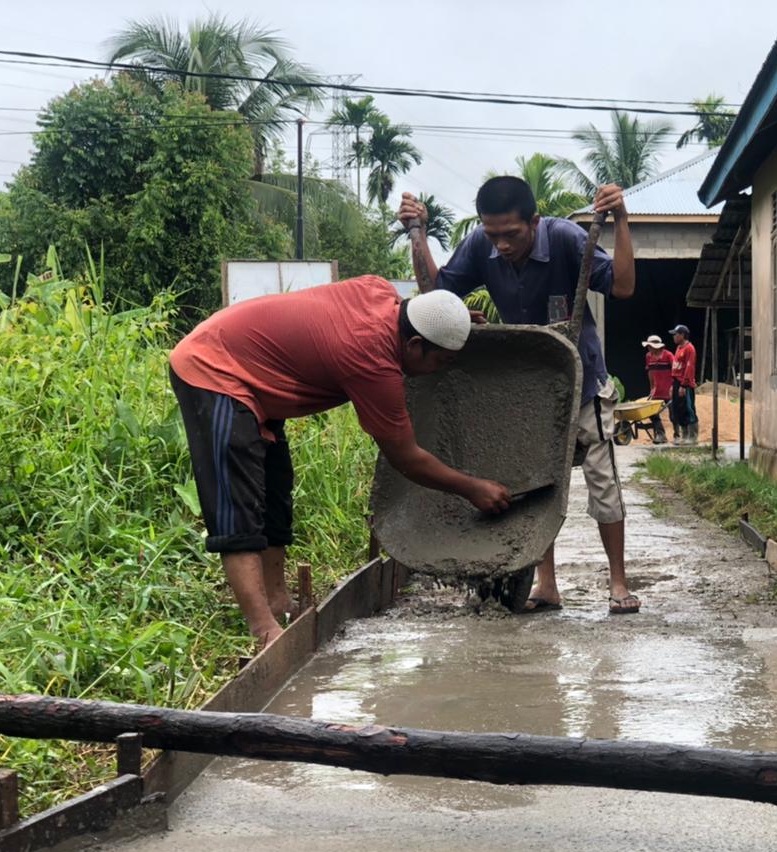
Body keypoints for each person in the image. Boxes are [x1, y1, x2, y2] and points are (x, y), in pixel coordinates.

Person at [169, 279, 511, 649]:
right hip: (215, 368)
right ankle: (263, 629)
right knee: (238, 505)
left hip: (257, 374)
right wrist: (472, 488)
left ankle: (279, 602)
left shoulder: (382, 293)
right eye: (440, 361)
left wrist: (450, 322)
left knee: (274, 492)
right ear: (414, 345)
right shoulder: (372, 359)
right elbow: (406, 458)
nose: (439, 371)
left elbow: (415, 311)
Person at [396, 176, 641, 614]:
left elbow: (622, 288)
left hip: (583, 382)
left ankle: (618, 583)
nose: (502, 245)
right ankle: (546, 585)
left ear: (534, 221)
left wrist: (621, 219)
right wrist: (419, 233)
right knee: (534, 485)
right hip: (530, 391)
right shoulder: (480, 245)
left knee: (602, 482)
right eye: (494, 235)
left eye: (511, 234)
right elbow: (436, 297)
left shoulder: (566, 239)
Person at [641, 334, 674, 444]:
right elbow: (650, 372)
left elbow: (675, 371)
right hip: (657, 390)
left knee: (673, 414)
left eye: (650, 346)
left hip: (668, 390)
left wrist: (673, 386)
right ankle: (661, 434)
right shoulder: (648, 356)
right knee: (651, 412)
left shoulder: (668, 355)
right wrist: (652, 387)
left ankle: (677, 435)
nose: (648, 348)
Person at [669, 324, 698, 445]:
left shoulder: (689, 348)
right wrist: (673, 384)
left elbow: (689, 368)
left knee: (688, 409)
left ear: (682, 335)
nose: (674, 337)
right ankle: (684, 435)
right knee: (678, 409)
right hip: (677, 382)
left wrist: (684, 385)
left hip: (685, 384)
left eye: (675, 334)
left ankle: (693, 437)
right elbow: (676, 368)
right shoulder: (678, 348)